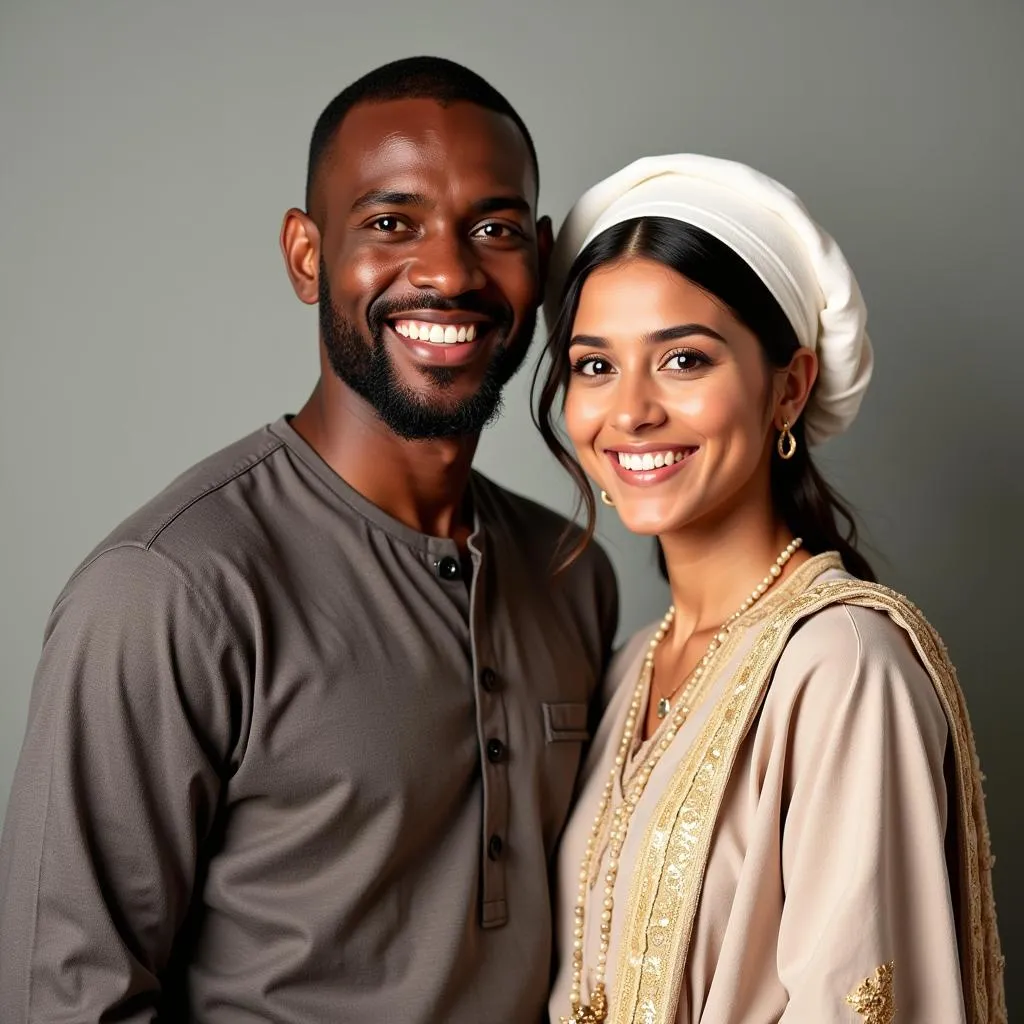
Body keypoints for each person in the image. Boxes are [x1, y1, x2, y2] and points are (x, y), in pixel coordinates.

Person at [0, 57, 618, 1022]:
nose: (449, 271)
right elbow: (66, 998)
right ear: (306, 254)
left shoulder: (572, 572)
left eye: (492, 229)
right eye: (390, 224)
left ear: (539, 263)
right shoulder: (167, 590)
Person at [538, 155, 1005, 1023]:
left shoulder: (844, 663)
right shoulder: (632, 664)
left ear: (787, 389)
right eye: (595, 366)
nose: (630, 410)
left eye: (683, 359)